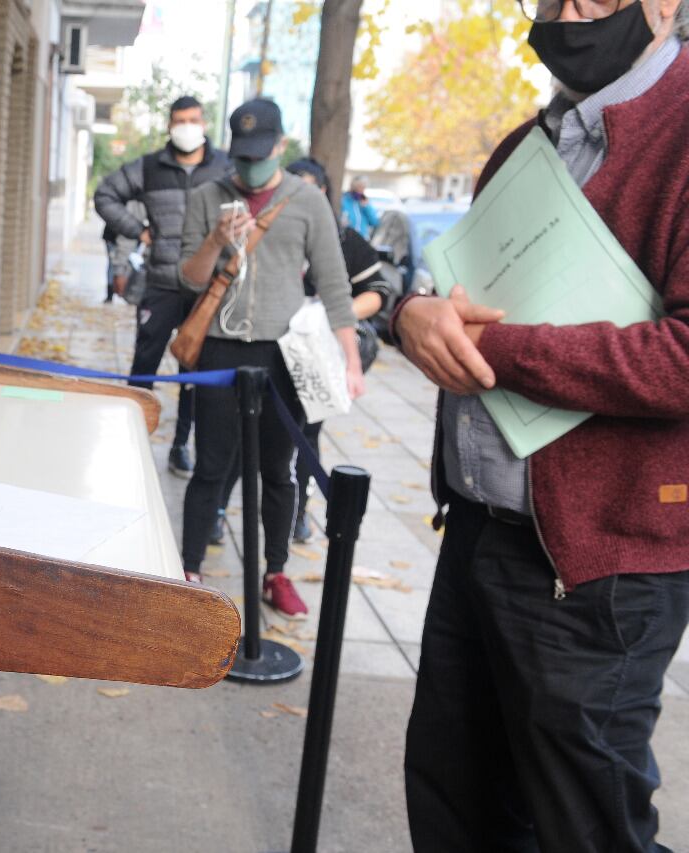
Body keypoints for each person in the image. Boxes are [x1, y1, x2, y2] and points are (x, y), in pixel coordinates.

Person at [396, 1, 689, 849]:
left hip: (602, 567)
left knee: (583, 827)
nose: (564, 15)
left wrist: (503, 352)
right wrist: (411, 314)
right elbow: (453, 290)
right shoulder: (527, 144)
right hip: (479, 534)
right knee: (454, 802)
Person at [177, 98, 364, 617]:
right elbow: (188, 278)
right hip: (218, 348)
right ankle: (188, 570)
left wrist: (350, 360)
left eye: (260, 156)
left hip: (283, 354)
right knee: (211, 465)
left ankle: (275, 572)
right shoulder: (207, 195)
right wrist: (216, 240)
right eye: (241, 158)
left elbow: (333, 283)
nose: (250, 169)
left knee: (279, 471)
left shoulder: (307, 201)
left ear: (281, 147)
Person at [94, 95, 231, 478]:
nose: (187, 126)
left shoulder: (224, 168)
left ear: (204, 123)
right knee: (144, 367)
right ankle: (131, 440)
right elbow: (105, 195)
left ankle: (180, 446)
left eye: (193, 119)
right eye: (179, 120)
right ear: (170, 125)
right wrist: (138, 231)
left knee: (194, 372)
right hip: (161, 284)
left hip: (206, 290)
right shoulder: (151, 167)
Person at [286, 158, 392, 543]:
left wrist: (329, 315)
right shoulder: (268, 233)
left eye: (310, 187)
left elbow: (378, 292)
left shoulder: (343, 239)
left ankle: (299, 511)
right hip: (267, 351)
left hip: (317, 354)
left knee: (307, 434)